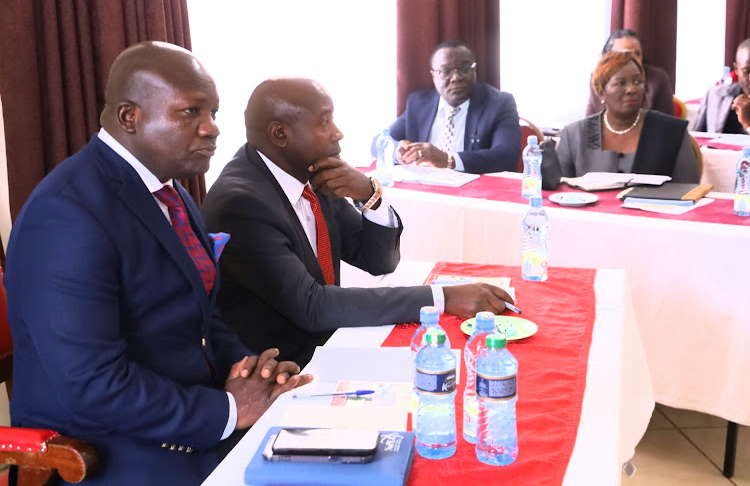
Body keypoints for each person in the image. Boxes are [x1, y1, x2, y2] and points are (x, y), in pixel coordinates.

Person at [3, 42, 311, 486]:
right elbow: (93, 387)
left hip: (189, 416)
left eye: (214, 112)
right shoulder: (67, 214)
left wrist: (251, 372)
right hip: (104, 450)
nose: (212, 130)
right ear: (131, 117)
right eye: (191, 112)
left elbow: (202, 315)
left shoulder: (171, 192)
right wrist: (228, 410)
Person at [201, 78, 514, 367]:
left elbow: (378, 261)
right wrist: (441, 298)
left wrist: (369, 194)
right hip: (279, 368)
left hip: (328, 345)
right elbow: (313, 307)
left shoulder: (312, 174)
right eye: (324, 122)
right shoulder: (242, 204)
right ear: (280, 134)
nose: (338, 133)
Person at [545, 50, 699, 183]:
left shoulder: (671, 132)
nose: (631, 89)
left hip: (655, 216)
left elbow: (688, 192)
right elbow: (562, 193)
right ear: (601, 92)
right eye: (620, 83)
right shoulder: (575, 135)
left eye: (638, 81)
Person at [373, 40, 521, 174]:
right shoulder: (419, 104)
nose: (456, 78)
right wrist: (397, 152)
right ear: (433, 76)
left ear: (474, 70)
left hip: (473, 195)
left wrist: (447, 160)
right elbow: (377, 143)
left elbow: (506, 156)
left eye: (464, 69)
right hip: (425, 189)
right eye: (445, 71)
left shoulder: (498, 103)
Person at [585, 29, 674, 117]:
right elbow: (590, 123)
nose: (632, 59)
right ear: (608, 56)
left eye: (637, 54)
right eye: (624, 54)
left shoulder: (657, 78)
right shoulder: (599, 79)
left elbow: (668, 124)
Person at [694, 37, 750, 134]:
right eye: (746, 71)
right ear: (736, 69)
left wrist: (748, 125)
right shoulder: (715, 95)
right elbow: (695, 141)